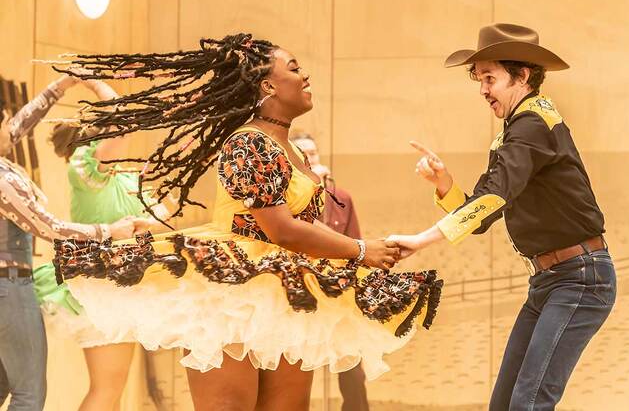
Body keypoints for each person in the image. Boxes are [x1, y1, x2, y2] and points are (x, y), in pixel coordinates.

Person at [50, 33, 443, 410]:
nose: (305, 75)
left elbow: (302, 223)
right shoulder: (249, 142)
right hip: (232, 290)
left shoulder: (293, 152)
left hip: (284, 287)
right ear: (268, 87)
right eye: (294, 68)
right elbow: (281, 229)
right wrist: (360, 250)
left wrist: (368, 250)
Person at [389, 23, 616, 411]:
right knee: (507, 404)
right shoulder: (519, 129)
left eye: (489, 78)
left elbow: (493, 196)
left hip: (580, 278)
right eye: (479, 79)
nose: (482, 90)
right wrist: (444, 183)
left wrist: (422, 240)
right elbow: (486, 209)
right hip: (551, 280)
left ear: (522, 76)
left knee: (528, 403)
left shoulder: (531, 126)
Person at [0, 76, 137, 411]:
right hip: (8, 285)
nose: (10, 124)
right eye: (4, 118)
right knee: (29, 393)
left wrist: (61, 86)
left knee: (6, 383)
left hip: (10, 284)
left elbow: (22, 124)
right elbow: (49, 228)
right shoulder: (4, 179)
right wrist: (108, 231)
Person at [34, 77, 167, 411]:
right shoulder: (83, 171)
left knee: (114, 391)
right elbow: (122, 124)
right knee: (106, 390)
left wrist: (147, 225)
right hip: (101, 287)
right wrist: (94, 85)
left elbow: (160, 222)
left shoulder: (124, 178)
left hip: (126, 285)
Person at [290, 131, 369, 411]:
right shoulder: (288, 199)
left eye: (313, 153)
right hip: (297, 295)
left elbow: (356, 245)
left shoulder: (341, 197)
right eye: (302, 154)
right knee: (295, 372)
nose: (309, 159)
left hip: (337, 292)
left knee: (353, 370)